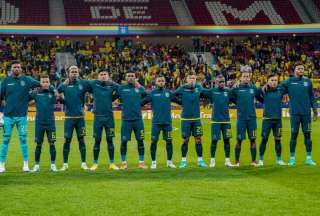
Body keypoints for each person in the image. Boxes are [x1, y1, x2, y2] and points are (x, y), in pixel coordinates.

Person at [0, 61, 41, 173]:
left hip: (22, 116)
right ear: (11, 69)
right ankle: (1, 165)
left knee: (23, 140)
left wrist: (33, 94)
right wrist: (0, 116)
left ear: (21, 68)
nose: (17, 68)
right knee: (5, 140)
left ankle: (26, 165)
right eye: (15, 67)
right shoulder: (6, 81)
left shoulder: (27, 80)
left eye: (18, 67)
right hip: (8, 116)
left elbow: (41, 84)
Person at [280, 62, 318, 166]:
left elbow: (312, 98)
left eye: (302, 69)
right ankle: (292, 158)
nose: (301, 70)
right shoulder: (289, 81)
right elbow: (278, 89)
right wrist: (267, 87)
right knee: (294, 135)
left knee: (308, 135)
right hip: (295, 114)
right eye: (299, 69)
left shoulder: (308, 82)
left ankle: (309, 158)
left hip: (306, 114)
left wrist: (315, 111)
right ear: (295, 70)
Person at [142, 75, 179, 169]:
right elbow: (142, 102)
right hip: (156, 123)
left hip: (167, 123)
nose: (161, 82)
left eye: (163, 80)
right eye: (159, 81)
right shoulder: (152, 93)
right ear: (156, 82)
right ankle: (154, 162)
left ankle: (169, 162)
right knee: (154, 142)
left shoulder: (168, 93)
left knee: (169, 142)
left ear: (165, 82)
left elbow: (179, 101)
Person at [57, 65, 91, 171]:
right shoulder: (64, 85)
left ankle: (84, 163)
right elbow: (56, 93)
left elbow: (93, 89)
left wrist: (86, 105)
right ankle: (65, 164)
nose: (74, 73)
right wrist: (63, 100)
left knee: (81, 140)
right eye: (72, 71)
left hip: (80, 118)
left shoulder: (83, 83)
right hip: (69, 118)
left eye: (76, 71)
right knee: (67, 140)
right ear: (68, 73)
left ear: (78, 73)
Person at [174, 72, 207, 168]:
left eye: (194, 78)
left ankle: (200, 160)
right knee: (185, 140)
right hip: (185, 119)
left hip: (197, 119)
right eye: (190, 78)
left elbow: (207, 94)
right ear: (186, 79)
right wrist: (180, 102)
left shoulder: (199, 87)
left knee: (199, 140)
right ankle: (183, 161)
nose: (192, 80)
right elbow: (173, 96)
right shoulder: (182, 88)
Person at [115, 71, 147, 170]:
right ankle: (123, 163)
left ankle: (141, 163)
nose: (130, 77)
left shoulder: (139, 88)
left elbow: (147, 96)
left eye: (132, 76)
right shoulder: (121, 88)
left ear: (135, 77)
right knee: (124, 142)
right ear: (125, 77)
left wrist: (140, 87)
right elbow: (113, 97)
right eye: (128, 76)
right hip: (126, 120)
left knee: (140, 141)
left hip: (138, 120)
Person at [88, 69, 119, 171]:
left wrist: (113, 97)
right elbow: (83, 85)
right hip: (98, 117)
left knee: (110, 140)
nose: (103, 76)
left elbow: (121, 89)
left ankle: (112, 163)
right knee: (97, 140)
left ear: (108, 76)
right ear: (98, 76)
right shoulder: (94, 84)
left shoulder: (112, 85)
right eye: (101, 74)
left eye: (105, 74)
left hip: (109, 118)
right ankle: (95, 163)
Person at [231, 67, 260, 167]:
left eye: (248, 76)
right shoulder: (236, 88)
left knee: (253, 139)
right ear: (241, 77)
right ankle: (236, 161)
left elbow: (261, 97)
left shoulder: (253, 88)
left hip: (252, 118)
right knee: (239, 140)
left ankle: (253, 161)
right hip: (241, 118)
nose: (246, 78)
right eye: (244, 76)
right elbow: (231, 98)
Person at [203, 75, 233, 167]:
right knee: (214, 141)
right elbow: (201, 91)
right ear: (216, 83)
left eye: (223, 81)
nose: (222, 83)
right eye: (220, 82)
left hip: (226, 121)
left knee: (227, 141)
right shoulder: (212, 91)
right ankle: (212, 160)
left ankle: (227, 161)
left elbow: (236, 98)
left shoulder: (228, 91)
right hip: (215, 121)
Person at [30, 74, 58, 172]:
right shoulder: (36, 93)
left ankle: (53, 165)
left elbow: (58, 97)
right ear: (40, 83)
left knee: (52, 143)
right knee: (38, 144)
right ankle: (37, 165)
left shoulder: (53, 93)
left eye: (47, 82)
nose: (45, 84)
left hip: (51, 124)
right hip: (39, 123)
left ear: (49, 83)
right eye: (43, 82)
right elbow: (25, 98)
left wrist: (54, 90)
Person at [257, 74, 286, 166]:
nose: (274, 82)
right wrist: (263, 87)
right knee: (264, 139)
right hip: (267, 120)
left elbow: (289, 86)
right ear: (268, 81)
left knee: (278, 140)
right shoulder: (264, 91)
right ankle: (261, 160)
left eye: (275, 80)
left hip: (278, 120)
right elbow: (256, 93)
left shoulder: (280, 90)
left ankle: (279, 159)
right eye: (272, 80)